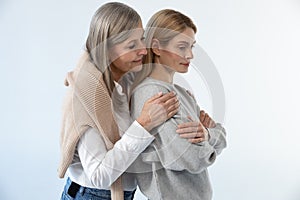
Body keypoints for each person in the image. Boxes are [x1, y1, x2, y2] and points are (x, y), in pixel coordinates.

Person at [58, 2, 214, 200]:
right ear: (107, 50)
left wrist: (205, 129)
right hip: (91, 195)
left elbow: (159, 73)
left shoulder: (127, 82)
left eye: (141, 39)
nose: (143, 49)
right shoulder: (86, 98)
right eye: (132, 45)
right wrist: (143, 125)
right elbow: (99, 176)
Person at [129, 9, 227, 200]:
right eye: (182, 47)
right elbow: (193, 157)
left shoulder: (182, 94)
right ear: (156, 47)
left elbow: (221, 135)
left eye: (192, 47)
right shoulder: (151, 94)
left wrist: (207, 134)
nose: (190, 55)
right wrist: (213, 138)